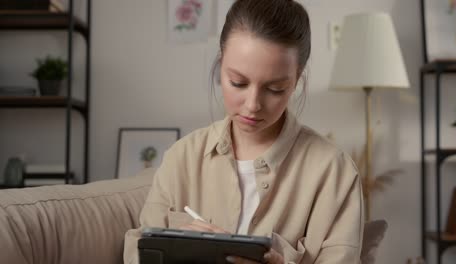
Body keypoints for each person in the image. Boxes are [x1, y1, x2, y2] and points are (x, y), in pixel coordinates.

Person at [124, 0, 363, 263]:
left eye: (275, 89)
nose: (252, 105)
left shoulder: (334, 173)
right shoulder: (182, 157)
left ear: (297, 79)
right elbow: (139, 248)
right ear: (220, 63)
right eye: (238, 83)